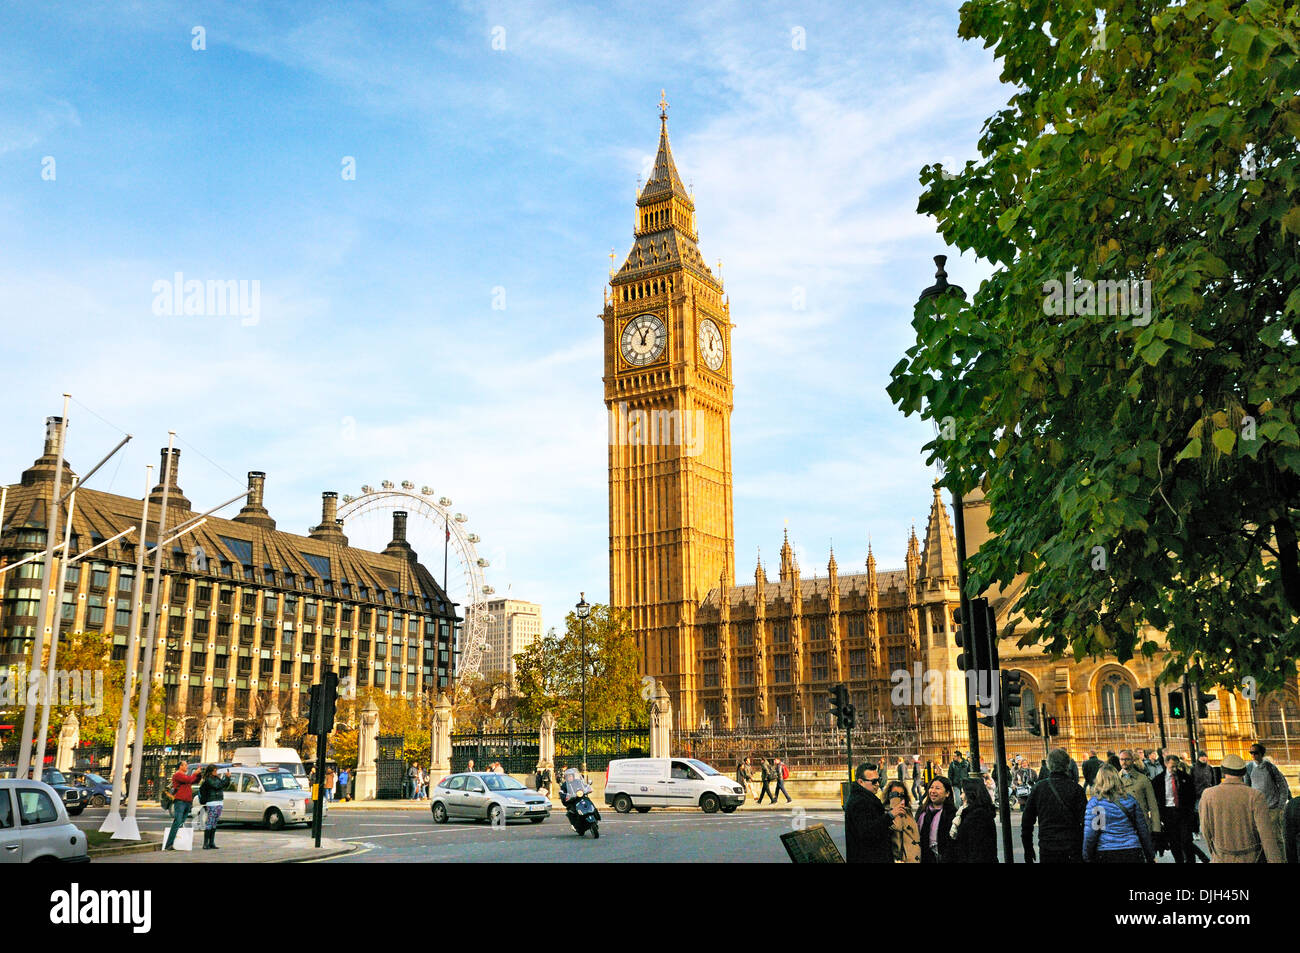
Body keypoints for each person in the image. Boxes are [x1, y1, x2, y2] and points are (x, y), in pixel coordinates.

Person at [1199, 754, 1283, 863]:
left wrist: (1215, 852)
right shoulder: (1255, 796)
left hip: (1221, 857)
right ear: (1243, 772)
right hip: (1252, 858)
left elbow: (1206, 829)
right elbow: (1267, 835)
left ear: (1223, 772)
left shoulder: (1208, 795)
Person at [1022, 748, 1086, 863]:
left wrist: (1028, 848)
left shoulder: (1039, 788)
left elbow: (1027, 822)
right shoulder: (1076, 789)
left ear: (1048, 765)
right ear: (1067, 765)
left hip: (1048, 847)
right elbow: (1085, 821)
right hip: (1072, 847)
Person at [1084, 764, 1155, 863]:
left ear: (1099, 780)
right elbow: (1142, 830)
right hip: (1132, 849)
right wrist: (1150, 855)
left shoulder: (1096, 803)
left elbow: (1091, 834)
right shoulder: (1130, 800)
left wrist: (1087, 856)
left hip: (1106, 850)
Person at [845, 762, 902, 863]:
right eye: (874, 781)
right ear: (861, 782)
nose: (878, 784)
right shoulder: (859, 802)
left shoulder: (865, 798)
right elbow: (868, 831)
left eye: (879, 780)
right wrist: (890, 816)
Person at [1244, 742, 1292, 848]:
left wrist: (1280, 806)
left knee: (1277, 838)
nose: (1253, 755)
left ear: (1261, 754)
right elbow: (1246, 789)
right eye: (1251, 753)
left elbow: (1283, 786)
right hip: (1257, 809)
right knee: (1259, 839)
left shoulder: (1270, 767)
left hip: (1273, 808)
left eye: (1255, 753)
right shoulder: (1249, 768)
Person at [1155, 754, 1196, 863]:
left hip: (1183, 812)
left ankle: (1190, 860)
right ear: (1166, 764)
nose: (1174, 769)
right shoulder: (1158, 780)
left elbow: (1192, 795)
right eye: (1172, 766)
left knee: (1186, 840)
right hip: (1168, 813)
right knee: (1174, 841)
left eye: (1176, 766)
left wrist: (1189, 810)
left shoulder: (1185, 777)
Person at [947, 776, 997, 862]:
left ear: (971, 794)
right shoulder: (971, 813)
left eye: (963, 792)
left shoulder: (977, 817)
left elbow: (976, 850)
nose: (961, 796)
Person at [1118, 749, 1162, 840]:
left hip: (1142, 825)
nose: (1124, 762)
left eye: (1127, 759)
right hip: (1123, 826)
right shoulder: (1115, 779)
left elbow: (1153, 805)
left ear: (1132, 760)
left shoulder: (1143, 779)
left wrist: (1156, 829)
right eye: (1122, 759)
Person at [916, 776, 956, 863]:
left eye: (937, 788)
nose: (933, 791)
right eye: (931, 787)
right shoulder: (922, 811)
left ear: (947, 793)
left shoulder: (952, 814)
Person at [163, 760, 201, 851]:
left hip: (187, 801)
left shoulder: (185, 775)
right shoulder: (177, 775)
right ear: (180, 766)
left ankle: (178, 842)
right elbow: (189, 780)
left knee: (181, 822)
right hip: (180, 801)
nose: (187, 767)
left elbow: (194, 780)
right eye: (185, 765)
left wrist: (199, 774)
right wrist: (195, 773)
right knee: (178, 822)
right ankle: (169, 844)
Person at [883, 781, 921, 863]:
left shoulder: (907, 811)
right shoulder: (887, 813)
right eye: (895, 794)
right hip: (903, 859)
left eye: (902, 795)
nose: (899, 798)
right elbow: (897, 827)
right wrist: (895, 808)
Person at [197, 764, 232, 850]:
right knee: (210, 822)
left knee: (214, 823)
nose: (216, 772)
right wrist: (226, 778)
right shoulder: (208, 779)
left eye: (216, 770)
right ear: (211, 771)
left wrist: (228, 778)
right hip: (212, 802)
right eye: (215, 771)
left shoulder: (217, 778)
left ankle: (211, 842)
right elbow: (217, 786)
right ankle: (206, 843)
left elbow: (224, 785)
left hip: (219, 802)